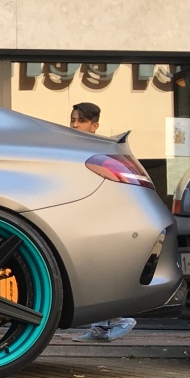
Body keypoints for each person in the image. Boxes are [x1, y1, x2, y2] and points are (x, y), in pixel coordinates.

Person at [68, 101, 137, 342]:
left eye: (81, 121)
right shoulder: (73, 147)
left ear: (95, 125)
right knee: (90, 269)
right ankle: (100, 326)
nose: (75, 124)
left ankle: (122, 318)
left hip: (102, 217)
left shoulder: (101, 149)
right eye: (73, 120)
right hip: (84, 216)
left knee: (103, 267)